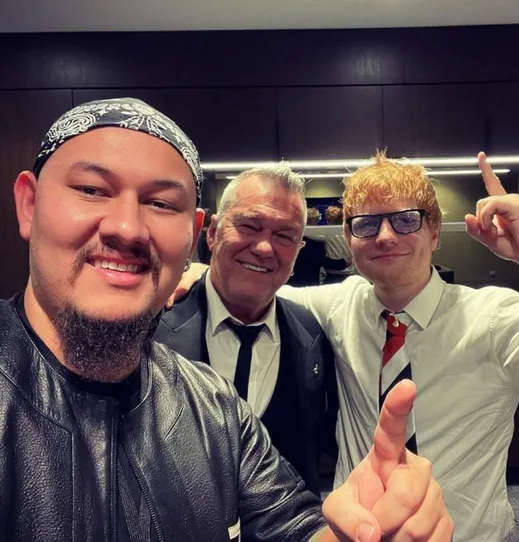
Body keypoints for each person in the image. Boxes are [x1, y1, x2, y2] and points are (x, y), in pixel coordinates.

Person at [1, 99, 454, 542]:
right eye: (91, 190)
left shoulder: (215, 408)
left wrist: (366, 531)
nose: (127, 227)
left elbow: (291, 523)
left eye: (161, 203)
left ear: (191, 232)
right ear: (29, 204)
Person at [175, 152, 519, 541]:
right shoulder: (333, 308)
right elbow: (252, 288)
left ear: (435, 231)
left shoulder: (496, 319)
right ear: (350, 240)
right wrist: (195, 273)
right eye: (366, 224)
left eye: (406, 220)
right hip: (354, 533)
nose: (385, 236)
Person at [154, 166, 338, 495]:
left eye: (285, 236)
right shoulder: (151, 327)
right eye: (249, 226)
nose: (264, 248)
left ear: (298, 252)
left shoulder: (312, 333)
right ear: (212, 233)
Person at [323, 205, 355, 284]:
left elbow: (312, 235)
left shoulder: (326, 234)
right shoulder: (349, 233)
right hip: (349, 274)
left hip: (332, 274)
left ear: (327, 220)